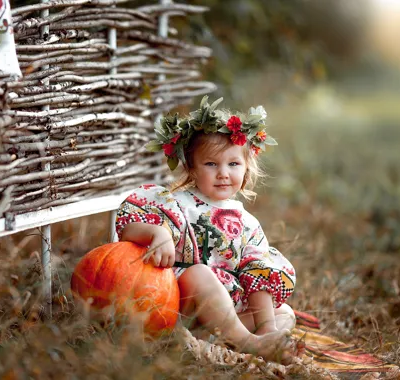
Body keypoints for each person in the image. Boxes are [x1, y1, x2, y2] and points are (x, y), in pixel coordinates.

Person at [115, 96, 300, 364]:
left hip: (225, 311)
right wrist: (158, 234)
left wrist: (267, 325)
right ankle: (249, 344)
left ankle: (256, 339)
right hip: (181, 303)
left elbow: (258, 272)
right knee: (200, 273)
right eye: (212, 164)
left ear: (247, 166)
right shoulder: (176, 203)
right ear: (191, 168)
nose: (223, 173)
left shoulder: (246, 221)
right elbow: (126, 228)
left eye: (233, 164)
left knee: (285, 313)